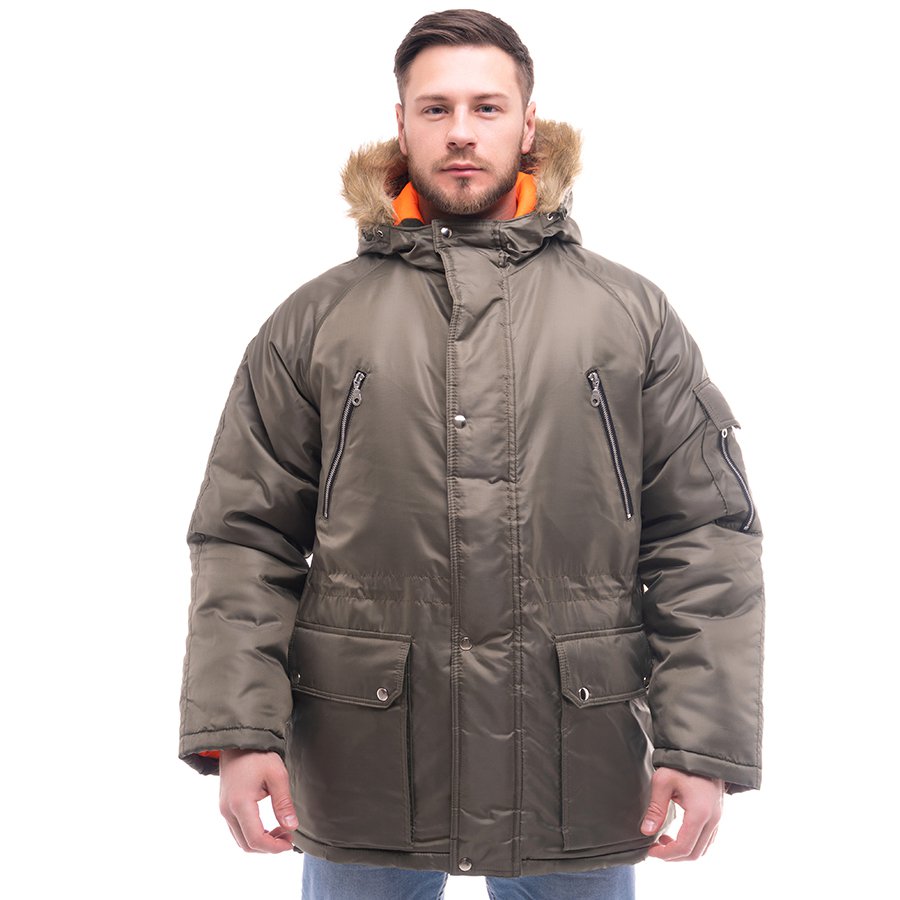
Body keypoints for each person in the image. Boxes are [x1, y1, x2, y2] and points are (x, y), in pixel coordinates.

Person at [177, 8, 766, 899]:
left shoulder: (629, 315)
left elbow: (704, 537)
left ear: (528, 126)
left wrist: (700, 743)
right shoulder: (316, 321)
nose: (461, 131)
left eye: (487, 107)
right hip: (366, 756)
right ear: (401, 125)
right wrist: (240, 731)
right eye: (435, 107)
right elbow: (245, 538)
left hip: (577, 757)